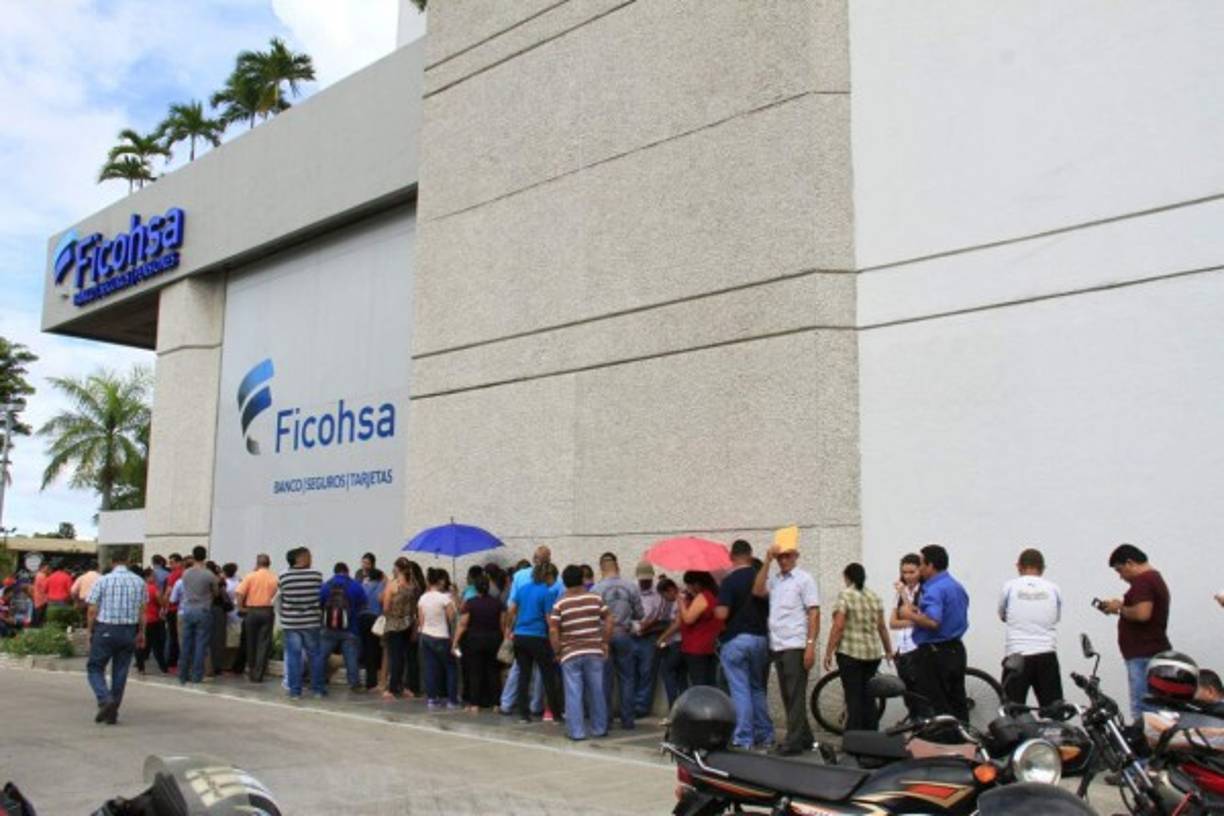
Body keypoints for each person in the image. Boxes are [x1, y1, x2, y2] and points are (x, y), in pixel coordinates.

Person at [752, 543, 821, 755]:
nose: (783, 560)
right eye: (780, 557)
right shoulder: (776, 580)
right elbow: (757, 590)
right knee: (788, 695)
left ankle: (793, 741)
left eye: (787, 556)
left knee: (795, 694)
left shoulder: (804, 579)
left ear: (796, 556)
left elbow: (814, 613)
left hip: (796, 644)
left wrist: (810, 646)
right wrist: (766, 560)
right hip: (778, 643)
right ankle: (805, 737)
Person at [897, 544, 970, 722]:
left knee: (938, 703)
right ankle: (964, 739)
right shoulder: (955, 585)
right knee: (957, 700)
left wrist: (909, 615)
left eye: (921, 563)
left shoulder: (934, 589)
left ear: (930, 565)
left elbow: (933, 621)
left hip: (935, 652)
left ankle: (945, 742)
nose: (919, 567)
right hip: (956, 648)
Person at [1099, 543, 1172, 722]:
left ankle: (1146, 748)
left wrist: (1120, 607)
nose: (1120, 577)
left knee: (1144, 711)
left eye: (1120, 570)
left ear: (1130, 563)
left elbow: (1142, 614)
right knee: (1155, 708)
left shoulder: (1143, 581)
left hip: (1143, 655)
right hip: (1152, 651)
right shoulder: (1155, 578)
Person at [714, 540, 773, 750]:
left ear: (732, 557)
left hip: (736, 640)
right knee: (757, 688)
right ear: (750, 555)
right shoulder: (761, 579)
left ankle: (743, 738)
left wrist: (716, 606)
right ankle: (765, 734)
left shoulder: (729, 582)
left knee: (740, 689)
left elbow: (722, 613)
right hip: (760, 639)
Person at [825, 563, 890, 732]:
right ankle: (871, 736)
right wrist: (888, 650)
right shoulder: (874, 596)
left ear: (847, 577)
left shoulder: (845, 595)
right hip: (872, 654)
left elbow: (838, 626)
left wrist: (829, 651)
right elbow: (882, 627)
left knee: (853, 696)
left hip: (850, 653)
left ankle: (854, 739)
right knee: (869, 697)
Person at [550, 564, 612, 740]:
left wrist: (557, 651)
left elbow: (554, 630)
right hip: (594, 650)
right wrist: (605, 642)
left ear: (565, 582)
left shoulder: (560, 603)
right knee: (597, 690)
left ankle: (576, 732)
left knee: (573, 692)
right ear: (583, 579)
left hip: (570, 652)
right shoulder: (596, 599)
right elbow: (609, 619)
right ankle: (600, 728)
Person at [85, 550, 146, 724]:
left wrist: (90, 631)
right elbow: (143, 611)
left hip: (106, 628)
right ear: (128, 561)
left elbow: (92, 610)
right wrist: (142, 632)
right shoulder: (139, 582)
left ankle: (105, 699)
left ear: (112, 562)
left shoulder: (103, 581)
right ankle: (113, 710)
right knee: (120, 671)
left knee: (95, 667)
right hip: (129, 630)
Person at [998, 547, 1063, 707]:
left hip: (1016, 655)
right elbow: (1056, 618)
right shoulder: (1054, 589)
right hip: (1046, 654)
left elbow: (1002, 615)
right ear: (1043, 568)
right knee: (1053, 709)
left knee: (1011, 710)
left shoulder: (1009, 587)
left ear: (1019, 566)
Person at [507, 560, 565, 723]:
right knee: (548, 676)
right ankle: (556, 714)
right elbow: (549, 619)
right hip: (538, 637)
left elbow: (511, 610)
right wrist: (555, 637)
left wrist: (508, 630)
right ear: (546, 576)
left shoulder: (523, 589)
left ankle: (524, 715)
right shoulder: (546, 593)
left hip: (520, 636)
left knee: (523, 676)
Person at [592, 552, 644, 730]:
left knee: (605, 679)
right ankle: (627, 720)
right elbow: (640, 614)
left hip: (603, 636)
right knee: (627, 678)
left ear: (601, 569)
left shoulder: (596, 590)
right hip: (624, 633)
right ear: (618, 567)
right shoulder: (630, 587)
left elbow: (593, 617)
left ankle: (606, 720)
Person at [659, 571, 721, 688]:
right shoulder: (709, 595)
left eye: (688, 585)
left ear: (696, 584)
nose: (687, 588)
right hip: (705, 646)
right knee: (707, 683)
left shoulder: (703, 596)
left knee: (700, 684)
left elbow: (688, 619)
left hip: (697, 648)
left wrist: (681, 602)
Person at [278, 547, 326, 699]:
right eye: (309, 556)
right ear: (301, 558)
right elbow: (321, 597)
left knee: (294, 656)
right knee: (315, 655)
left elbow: (281, 598)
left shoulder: (283, 576)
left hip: (291, 622)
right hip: (311, 621)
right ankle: (318, 689)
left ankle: (295, 691)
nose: (311, 559)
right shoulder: (317, 575)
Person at [452, 573, 503, 711]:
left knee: (475, 671)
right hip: (494, 639)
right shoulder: (497, 603)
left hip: (474, 640)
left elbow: (463, 624)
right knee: (493, 671)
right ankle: (496, 703)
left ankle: (475, 704)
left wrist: (455, 642)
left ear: (475, 588)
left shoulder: (471, 603)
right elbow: (502, 624)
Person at [320, 562, 367, 692]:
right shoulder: (355, 586)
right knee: (351, 657)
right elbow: (364, 604)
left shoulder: (326, 586)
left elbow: (320, 603)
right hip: (350, 628)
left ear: (334, 572)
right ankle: (354, 684)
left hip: (328, 628)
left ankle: (318, 679)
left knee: (322, 655)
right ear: (347, 571)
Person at [176, 547, 220, 685]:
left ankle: (183, 674)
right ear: (205, 556)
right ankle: (196, 675)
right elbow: (216, 592)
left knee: (186, 642)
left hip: (187, 609)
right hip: (203, 610)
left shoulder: (186, 573)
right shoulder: (209, 575)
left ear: (193, 556)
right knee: (201, 644)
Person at [418, 568, 459, 709]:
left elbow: (421, 620)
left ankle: (432, 699)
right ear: (440, 582)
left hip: (426, 635)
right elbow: (452, 617)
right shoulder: (444, 598)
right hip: (442, 636)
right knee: (450, 667)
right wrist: (454, 599)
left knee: (430, 668)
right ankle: (452, 700)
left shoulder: (423, 598)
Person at [382, 557, 421, 700]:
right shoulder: (413, 585)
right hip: (409, 624)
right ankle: (407, 687)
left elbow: (386, 607)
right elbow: (416, 608)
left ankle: (392, 688)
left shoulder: (393, 585)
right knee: (409, 657)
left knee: (395, 657)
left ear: (397, 568)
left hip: (394, 624)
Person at [631, 561, 667, 718]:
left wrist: (647, 628)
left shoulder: (659, 593)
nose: (645, 582)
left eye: (647, 579)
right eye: (642, 580)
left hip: (650, 636)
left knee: (647, 672)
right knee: (631, 672)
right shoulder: (632, 590)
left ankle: (641, 707)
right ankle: (630, 704)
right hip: (631, 635)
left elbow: (663, 619)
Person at [235, 554, 278, 682]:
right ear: (269, 563)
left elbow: (239, 593)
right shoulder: (274, 577)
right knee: (263, 643)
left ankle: (251, 670)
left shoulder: (251, 576)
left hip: (252, 610)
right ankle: (259, 674)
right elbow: (276, 594)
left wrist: (241, 607)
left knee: (251, 641)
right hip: (267, 611)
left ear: (257, 563)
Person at [890, 553, 922, 719]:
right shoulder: (900, 593)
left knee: (920, 694)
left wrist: (904, 596)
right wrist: (912, 621)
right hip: (901, 649)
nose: (908, 576)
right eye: (904, 572)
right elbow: (893, 622)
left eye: (912, 572)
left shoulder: (923, 591)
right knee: (908, 694)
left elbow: (916, 614)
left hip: (917, 648)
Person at [655, 577, 688, 708]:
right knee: (681, 675)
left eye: (664, 595)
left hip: (678, 642)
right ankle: (684, 708)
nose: (664, 598)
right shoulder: (680, 598)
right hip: (680, 643)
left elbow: (677, 624)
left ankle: (674, 706)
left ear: (670, 590)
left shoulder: (679, 599)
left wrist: (661, 638)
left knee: (667, 671)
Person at [134, 567, 168, 675]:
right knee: (157, 645)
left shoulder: (138, 588)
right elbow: (162, 602)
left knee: (140, 644)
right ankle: (163, 667)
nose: (155, 578)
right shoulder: (153, 588)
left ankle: (141, 667)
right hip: (153, 620)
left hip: (140, 619)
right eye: (153, 576)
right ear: (148, 577)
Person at [358, 566, 386, 690]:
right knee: (375, 650)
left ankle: (368, 680)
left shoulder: (363, 586)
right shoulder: (382, 585)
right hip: (375, 619)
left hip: (362, 618)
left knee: (366, 649)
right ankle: (374, 681)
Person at [162, 553, 184, 669]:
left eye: (172, 563)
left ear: (178, 562)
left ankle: (172, 662)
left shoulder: (174, 575)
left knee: (172, 636)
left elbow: (168, 592)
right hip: (182, 609)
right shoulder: (185, 573)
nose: (170, 565)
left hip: (173, 608)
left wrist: (164, 607)